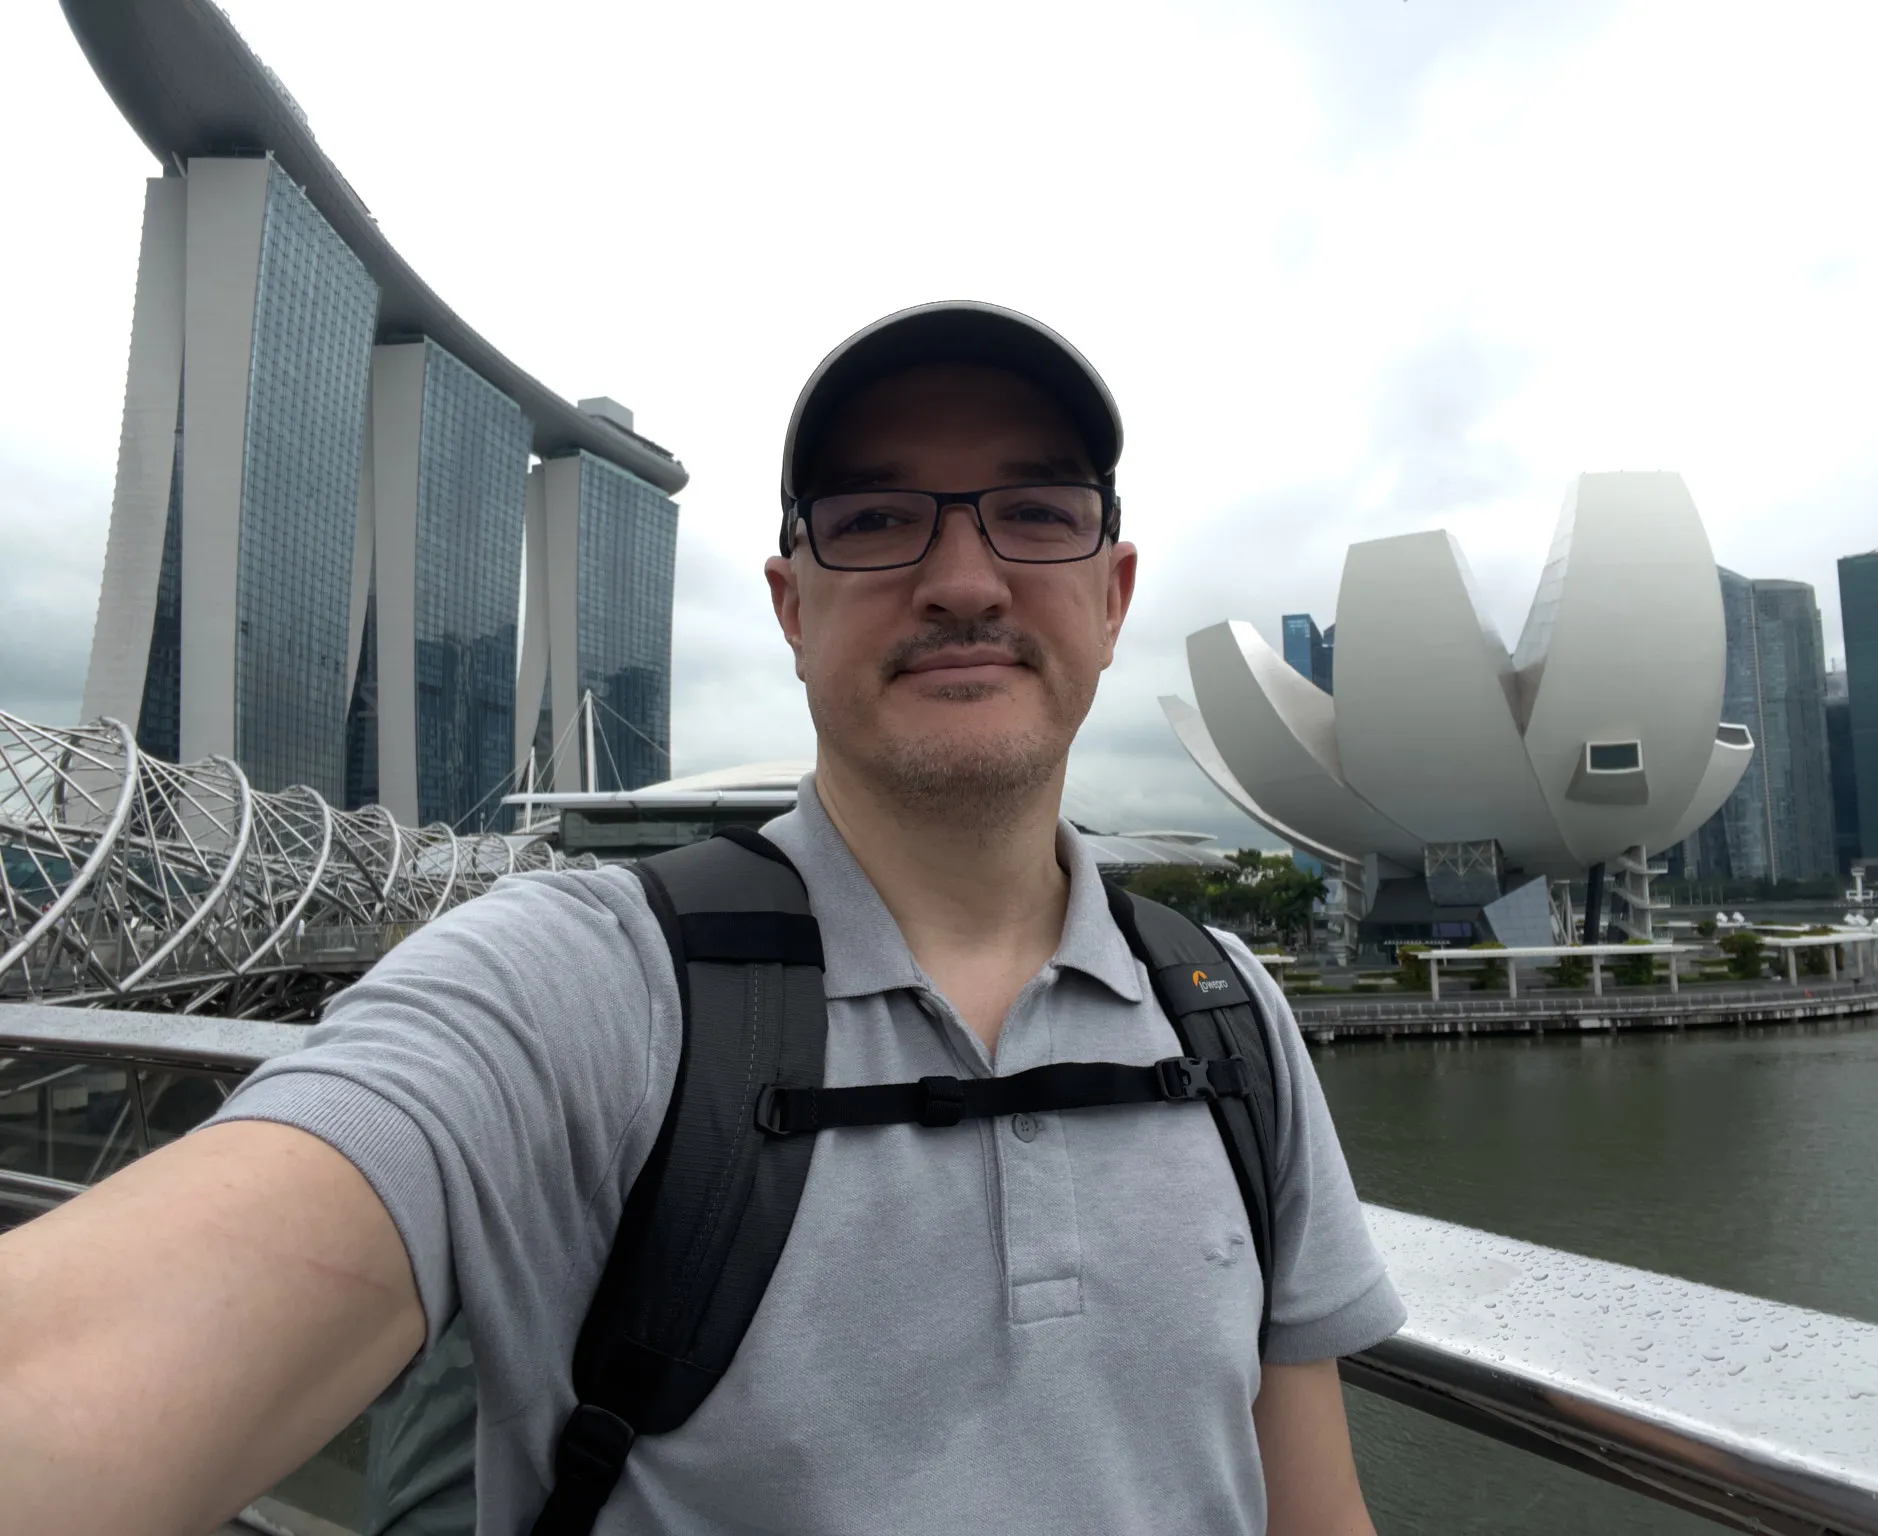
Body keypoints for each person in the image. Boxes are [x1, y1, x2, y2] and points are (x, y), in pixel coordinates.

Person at [0, 301, 1404, 1534]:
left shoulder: (1228, 1017)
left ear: (1115, 594)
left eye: (1035, 513)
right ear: (790, 610)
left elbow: (1314, 1510)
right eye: (874, 519)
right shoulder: (580, 987)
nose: (965, 580)